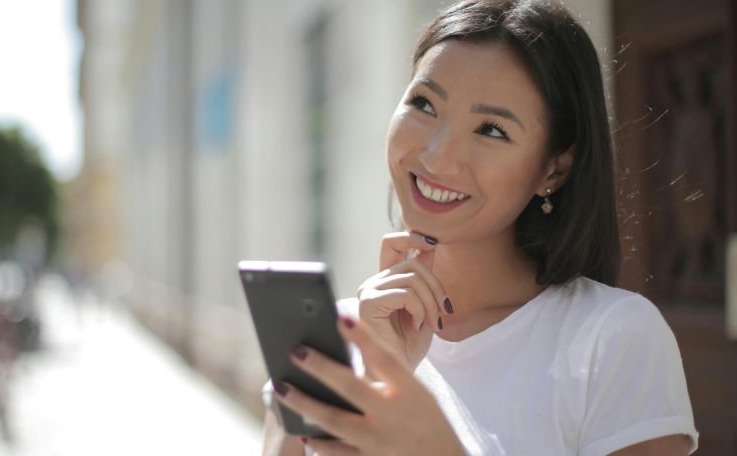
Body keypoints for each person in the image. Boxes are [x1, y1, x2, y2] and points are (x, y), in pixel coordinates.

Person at [261, 0, 699, 454]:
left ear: (554, 169)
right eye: (424, 103)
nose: (436, 157)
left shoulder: (612, 338)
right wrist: (372, 375)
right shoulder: (329, 339)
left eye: (491, 130)